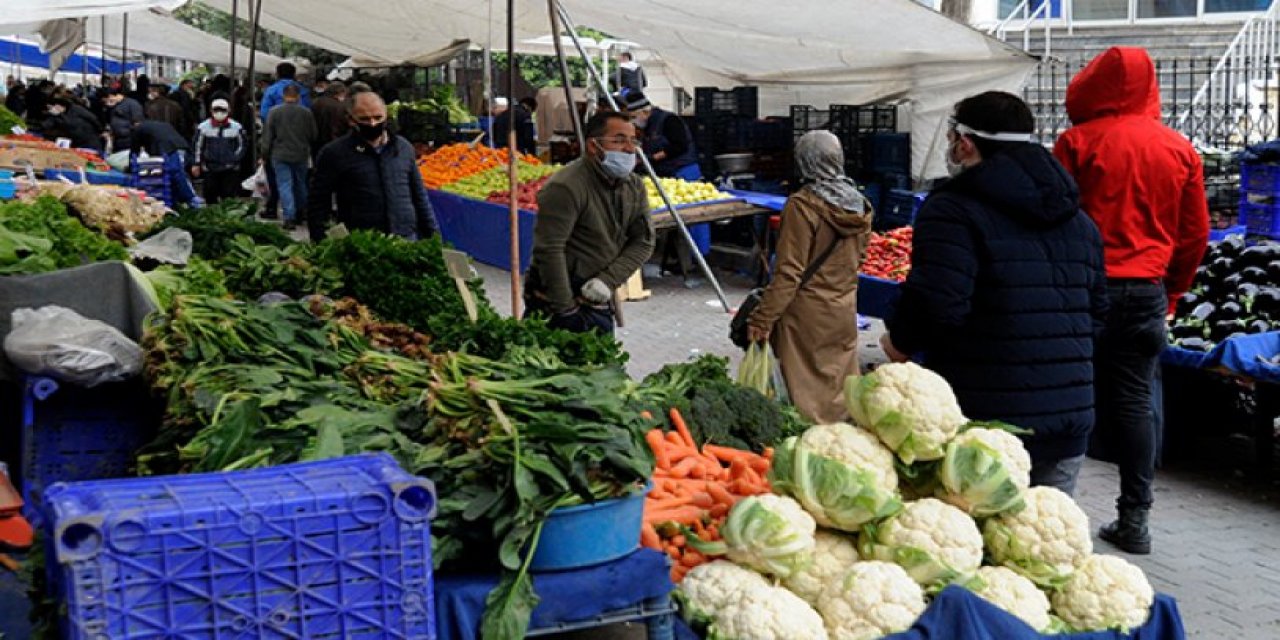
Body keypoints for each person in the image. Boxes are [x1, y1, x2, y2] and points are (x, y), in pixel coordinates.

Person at [881, 91, 1109, 495]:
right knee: (1040, 549)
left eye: (951, 136)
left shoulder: (951, 210)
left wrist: (899, 340)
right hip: (1068, 417)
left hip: (985, 417)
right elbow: (1097, 313)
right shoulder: (1078, 219)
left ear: (965, 143)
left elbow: (938, 301)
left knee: (982, 547)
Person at [1053, 47, 1209, 554]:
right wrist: (1173, 290)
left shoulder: (1076, 141)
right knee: (1136, 401)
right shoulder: (1179, 149)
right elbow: (1194, 234)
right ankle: (1135, 518)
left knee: (1071, 393)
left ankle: (1055, 514)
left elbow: (1055, 217)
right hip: (1146, 289)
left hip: (1085, 288)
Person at [746, 131, 873, 423]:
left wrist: (763, 318)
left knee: (806, 394)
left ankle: (809, 447)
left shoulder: (802, 206)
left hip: (805, 314)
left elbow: (789, 272)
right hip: (843, 307)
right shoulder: (860, 204)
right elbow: (860, 258)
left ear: (804, 161)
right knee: (838, 385)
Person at [524, 111, 656, 335]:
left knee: (602, 366)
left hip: (598, 298)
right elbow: (549, 249)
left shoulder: (633, 185)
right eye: (619, 140)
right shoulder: (566, 187)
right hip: (554, 301)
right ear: (594, 146)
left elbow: (643, 240)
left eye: (633, 141)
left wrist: (607, 281)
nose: (630, 149)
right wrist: (565, 309)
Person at [308, 92, 438, 241]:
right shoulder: (334, 153)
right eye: (364, 119)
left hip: (405, 237)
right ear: (351, 120)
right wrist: (321, 241)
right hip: (362, 241)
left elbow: (419, 194)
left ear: (386, 116)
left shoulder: (403, 148)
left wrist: (433, 235)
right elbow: (318, 202)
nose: (372, 124)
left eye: (378, 118)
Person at [624, 90, 710, 285]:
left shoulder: (670, 121)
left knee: (694, 220)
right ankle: (680, 261)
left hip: (685, 174)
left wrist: (652, 158)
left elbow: (679, 146)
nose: (634, 121)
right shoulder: (648, 125)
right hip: (668, 176)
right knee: (676, 226)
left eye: (634, 117)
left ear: (644, 112)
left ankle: (700, 261)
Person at [263, 84, 317, 230]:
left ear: (283, 96)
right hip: (301, 153)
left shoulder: (274, 112)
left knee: (284, 185)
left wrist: (264, 154)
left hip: (280, 154)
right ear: (298, 96)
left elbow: (268, 137)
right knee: (300, 184)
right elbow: (313, 135)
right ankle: (301, 212)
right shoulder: (306, 113)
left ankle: (289, 217)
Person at [131, 119, 199, 206]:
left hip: (169, 150)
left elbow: (134, 150)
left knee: (178, 174)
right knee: (174, 174)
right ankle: (178, 202)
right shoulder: (158, 124)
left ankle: (192, 199)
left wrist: (130, 166)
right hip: (180, 145)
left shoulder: (138, 129)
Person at [192, 98, 246, 204]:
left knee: (229, 196)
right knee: (210, 195)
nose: (219, 113)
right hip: (210, 167)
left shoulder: (236, 127)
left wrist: (234, 159)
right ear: (211, 111)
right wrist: (196, 163)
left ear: (228, 111)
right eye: (216, 110)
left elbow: (242, 145)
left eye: (222, 110)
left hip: (230, 168)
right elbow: (197, 146)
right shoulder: (203, 127)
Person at [104, 84, 144, 153]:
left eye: (110, 97)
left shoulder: (132, 104)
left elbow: (138, 122)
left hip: (129, 139)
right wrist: (109, 108)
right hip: (116, 140)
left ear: (117, 95)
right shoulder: (113, 105)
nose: (109, 100)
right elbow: (110, 120)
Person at [311, 80, 349, 150]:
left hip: (316, 141)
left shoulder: (316, 102)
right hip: (332, 140)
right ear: (339, 93)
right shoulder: (338, 106)